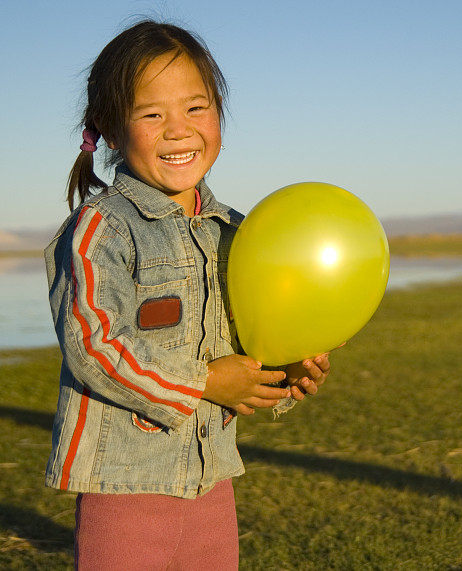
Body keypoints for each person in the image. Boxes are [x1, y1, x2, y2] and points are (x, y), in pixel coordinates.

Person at [45, 20, 331, 569]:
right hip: (123, 482)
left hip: (212, 474)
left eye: (196, 108)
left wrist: (286, 373)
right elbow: (94, 344)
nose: (178, 130)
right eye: (152, 114)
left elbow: (252, 340)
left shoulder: (237, 233)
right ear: (110, 127)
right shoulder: (101, 228)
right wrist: (204, 381)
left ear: (219, 112)